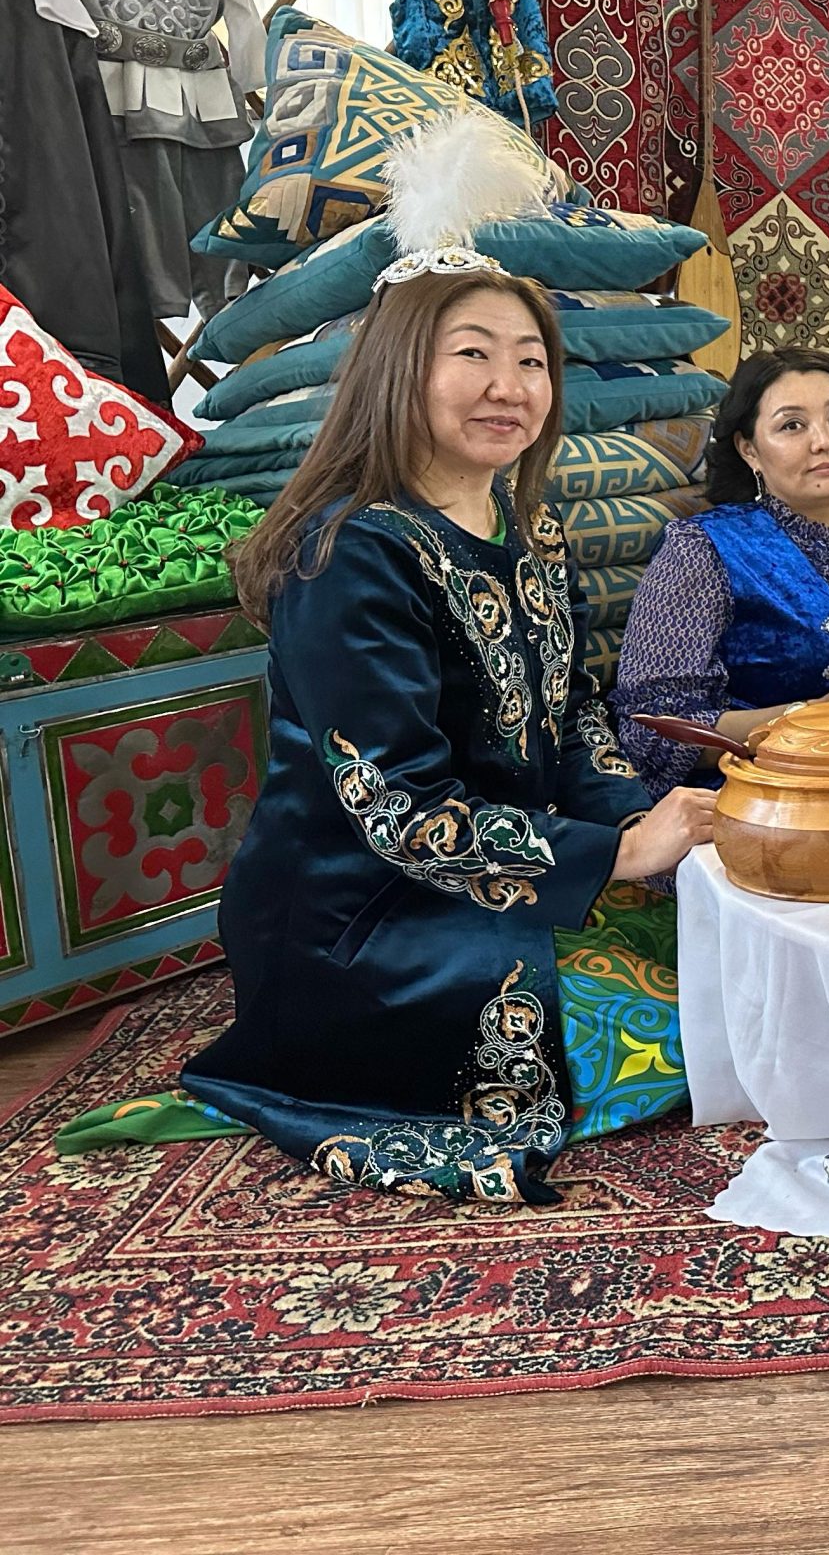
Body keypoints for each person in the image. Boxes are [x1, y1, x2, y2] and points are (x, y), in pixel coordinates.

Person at [56, 224, 716, 1204]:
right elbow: (400, 810)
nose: (509, 386)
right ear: (399, 370)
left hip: (511, 871)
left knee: (726, 960)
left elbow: (573, 720)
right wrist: (615, 857)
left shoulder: (531, 528)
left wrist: (641, 825)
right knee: (673, 1032)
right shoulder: (349, 556)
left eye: (531, 361)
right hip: (365, 913)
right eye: (473, 354)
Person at [614, 347, 829, 796]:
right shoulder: (701, 549)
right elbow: (652, 730)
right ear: (749, 449)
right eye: (792, 426)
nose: (824, 441)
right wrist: (809, 718)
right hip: (758, 798)